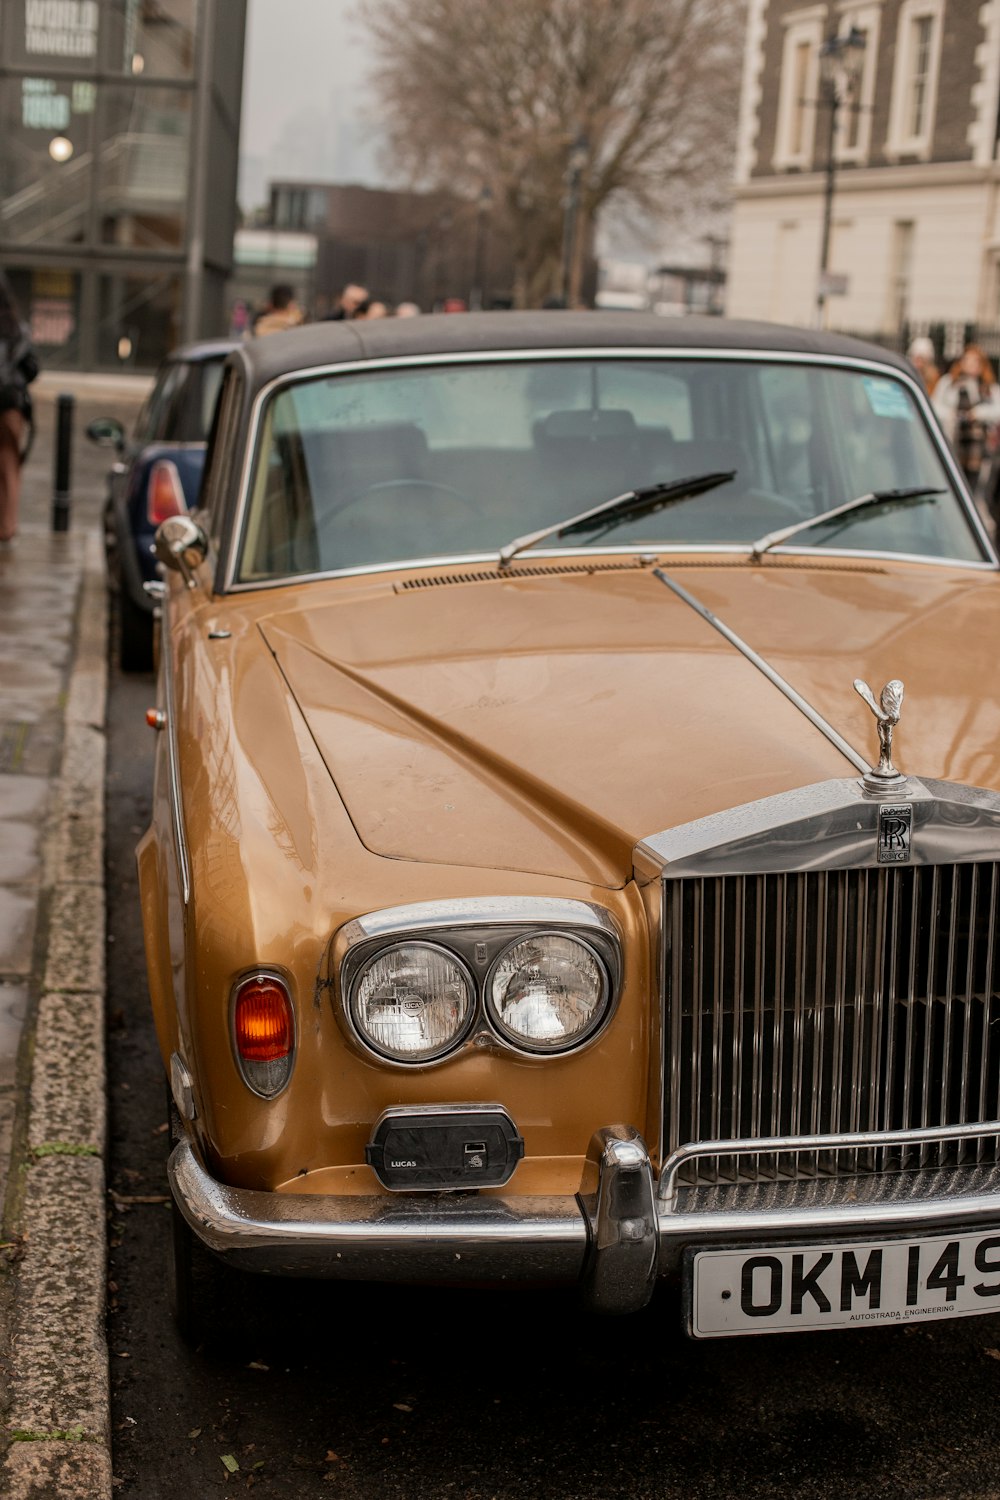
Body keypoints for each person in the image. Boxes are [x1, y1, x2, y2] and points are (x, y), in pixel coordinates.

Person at [0, 271, 39, 544]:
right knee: (9, 466)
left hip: (8, 403)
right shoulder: (15, 327)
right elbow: (33, 367)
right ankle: (7, 526)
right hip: (11, 405)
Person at [932, 343, 1000, 492]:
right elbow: (933, 406)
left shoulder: (988, 386)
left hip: (979, 448)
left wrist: (979, 413)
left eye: (975, 361)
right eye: (967, 360)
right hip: (953, 440)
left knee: (974, 487)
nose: (971, 364)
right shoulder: (949, 382)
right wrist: (951, 414)